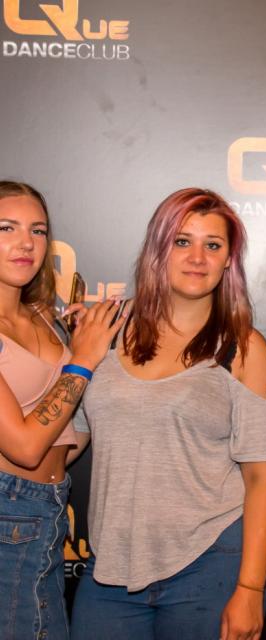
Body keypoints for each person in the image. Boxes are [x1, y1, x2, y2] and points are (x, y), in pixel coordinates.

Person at [69, 188, 266, 640]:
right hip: (109, 569)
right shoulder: (104, 333)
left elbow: (263, 478)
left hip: (211, 566)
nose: (197, 257)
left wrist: (250, 588)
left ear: (228, 260)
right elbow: (66, 444)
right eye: (182, 241)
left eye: (213, 245)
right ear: (158, 249)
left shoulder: (243, 348)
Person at [0, 180, 127, 640]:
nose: (25, 243)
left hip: (50, 509)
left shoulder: (43, 318)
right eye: (6, 228)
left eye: (37, 230)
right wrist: (82, 360)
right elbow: (25, 447)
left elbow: (66, 439)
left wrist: (92, 358)